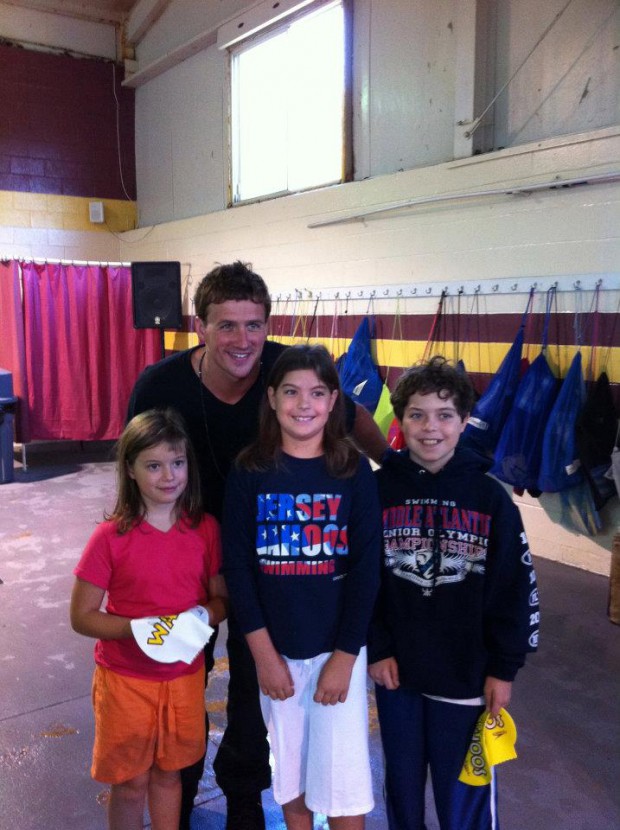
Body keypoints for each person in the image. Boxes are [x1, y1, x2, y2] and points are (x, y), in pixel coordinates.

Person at [127, 261, 388, 830]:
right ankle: (181, 782)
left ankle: (244, 792)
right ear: (200, 327)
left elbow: (352, 415)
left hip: (268, 555)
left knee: (253, 683)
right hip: (187, 554)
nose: (242, 340)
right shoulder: (160, 386)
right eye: (226, 326)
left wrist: (396, 471)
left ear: (267, 327)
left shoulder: (287, 373)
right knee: (182, 673)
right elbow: (133, 462)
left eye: (253, 325)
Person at [368, 356, 540, 830]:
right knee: (401, 787)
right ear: (400, 421)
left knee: (462, 791)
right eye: (417, 415)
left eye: (445, 415)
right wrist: (378, 648)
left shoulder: (490, 499)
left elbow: (514, 590)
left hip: (466, 676)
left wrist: (503, 669)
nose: (431, 428)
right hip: (396, 673)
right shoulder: (379, 490)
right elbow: (365, 581)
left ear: (465, 421)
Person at [222, 344, 382, 830]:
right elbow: (238, 569)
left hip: (338, 654)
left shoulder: (353, 472)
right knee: (291, 777)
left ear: (334, 400)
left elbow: (366, 570)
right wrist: (264, 656)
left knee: (342, 783)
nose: (303, 403)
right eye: (291, 392)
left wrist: (346, 656)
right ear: (271, 398)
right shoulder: (250, 471)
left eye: (316, 392)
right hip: (277, 654)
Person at [70, 408, 228, 830]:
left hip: (183, 679)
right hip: (126, 680)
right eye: (153, 465)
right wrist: (136, 629)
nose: (168, 476)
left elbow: (220, 599)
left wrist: (203, 614)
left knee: (169, 776)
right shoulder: (110, 538)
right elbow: (82, 617)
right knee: (130, 783)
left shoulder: (205, 529)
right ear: (130, 469)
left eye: (177, 463)